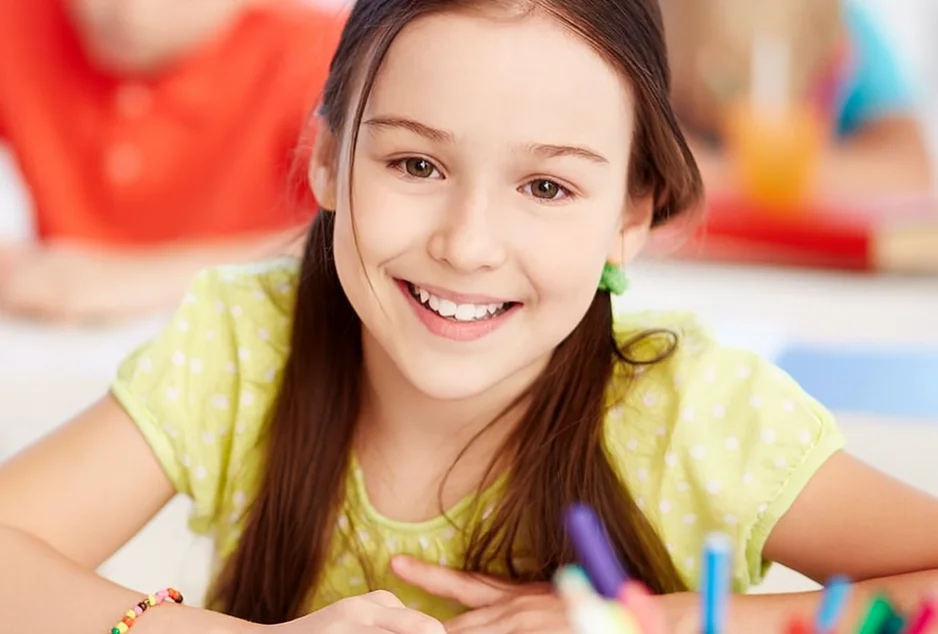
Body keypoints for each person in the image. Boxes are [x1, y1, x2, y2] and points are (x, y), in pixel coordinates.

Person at [2, 0, 938, 632]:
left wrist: (636, 620)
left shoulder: (692, 411)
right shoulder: (246, 347)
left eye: (546, 185)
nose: (469, 243)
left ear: (631, 218)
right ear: (328, 161)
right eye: (417, 165)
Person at [0, 0, 345, 323]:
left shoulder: (322, 55)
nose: (130, 11)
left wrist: (133, 281)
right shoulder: (19, 20)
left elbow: (360, 240)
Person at [662, 0, 933, 200]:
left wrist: (766, 177)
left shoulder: (848, 31)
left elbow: (912, 168)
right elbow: (656, 166)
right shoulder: (661, 25)